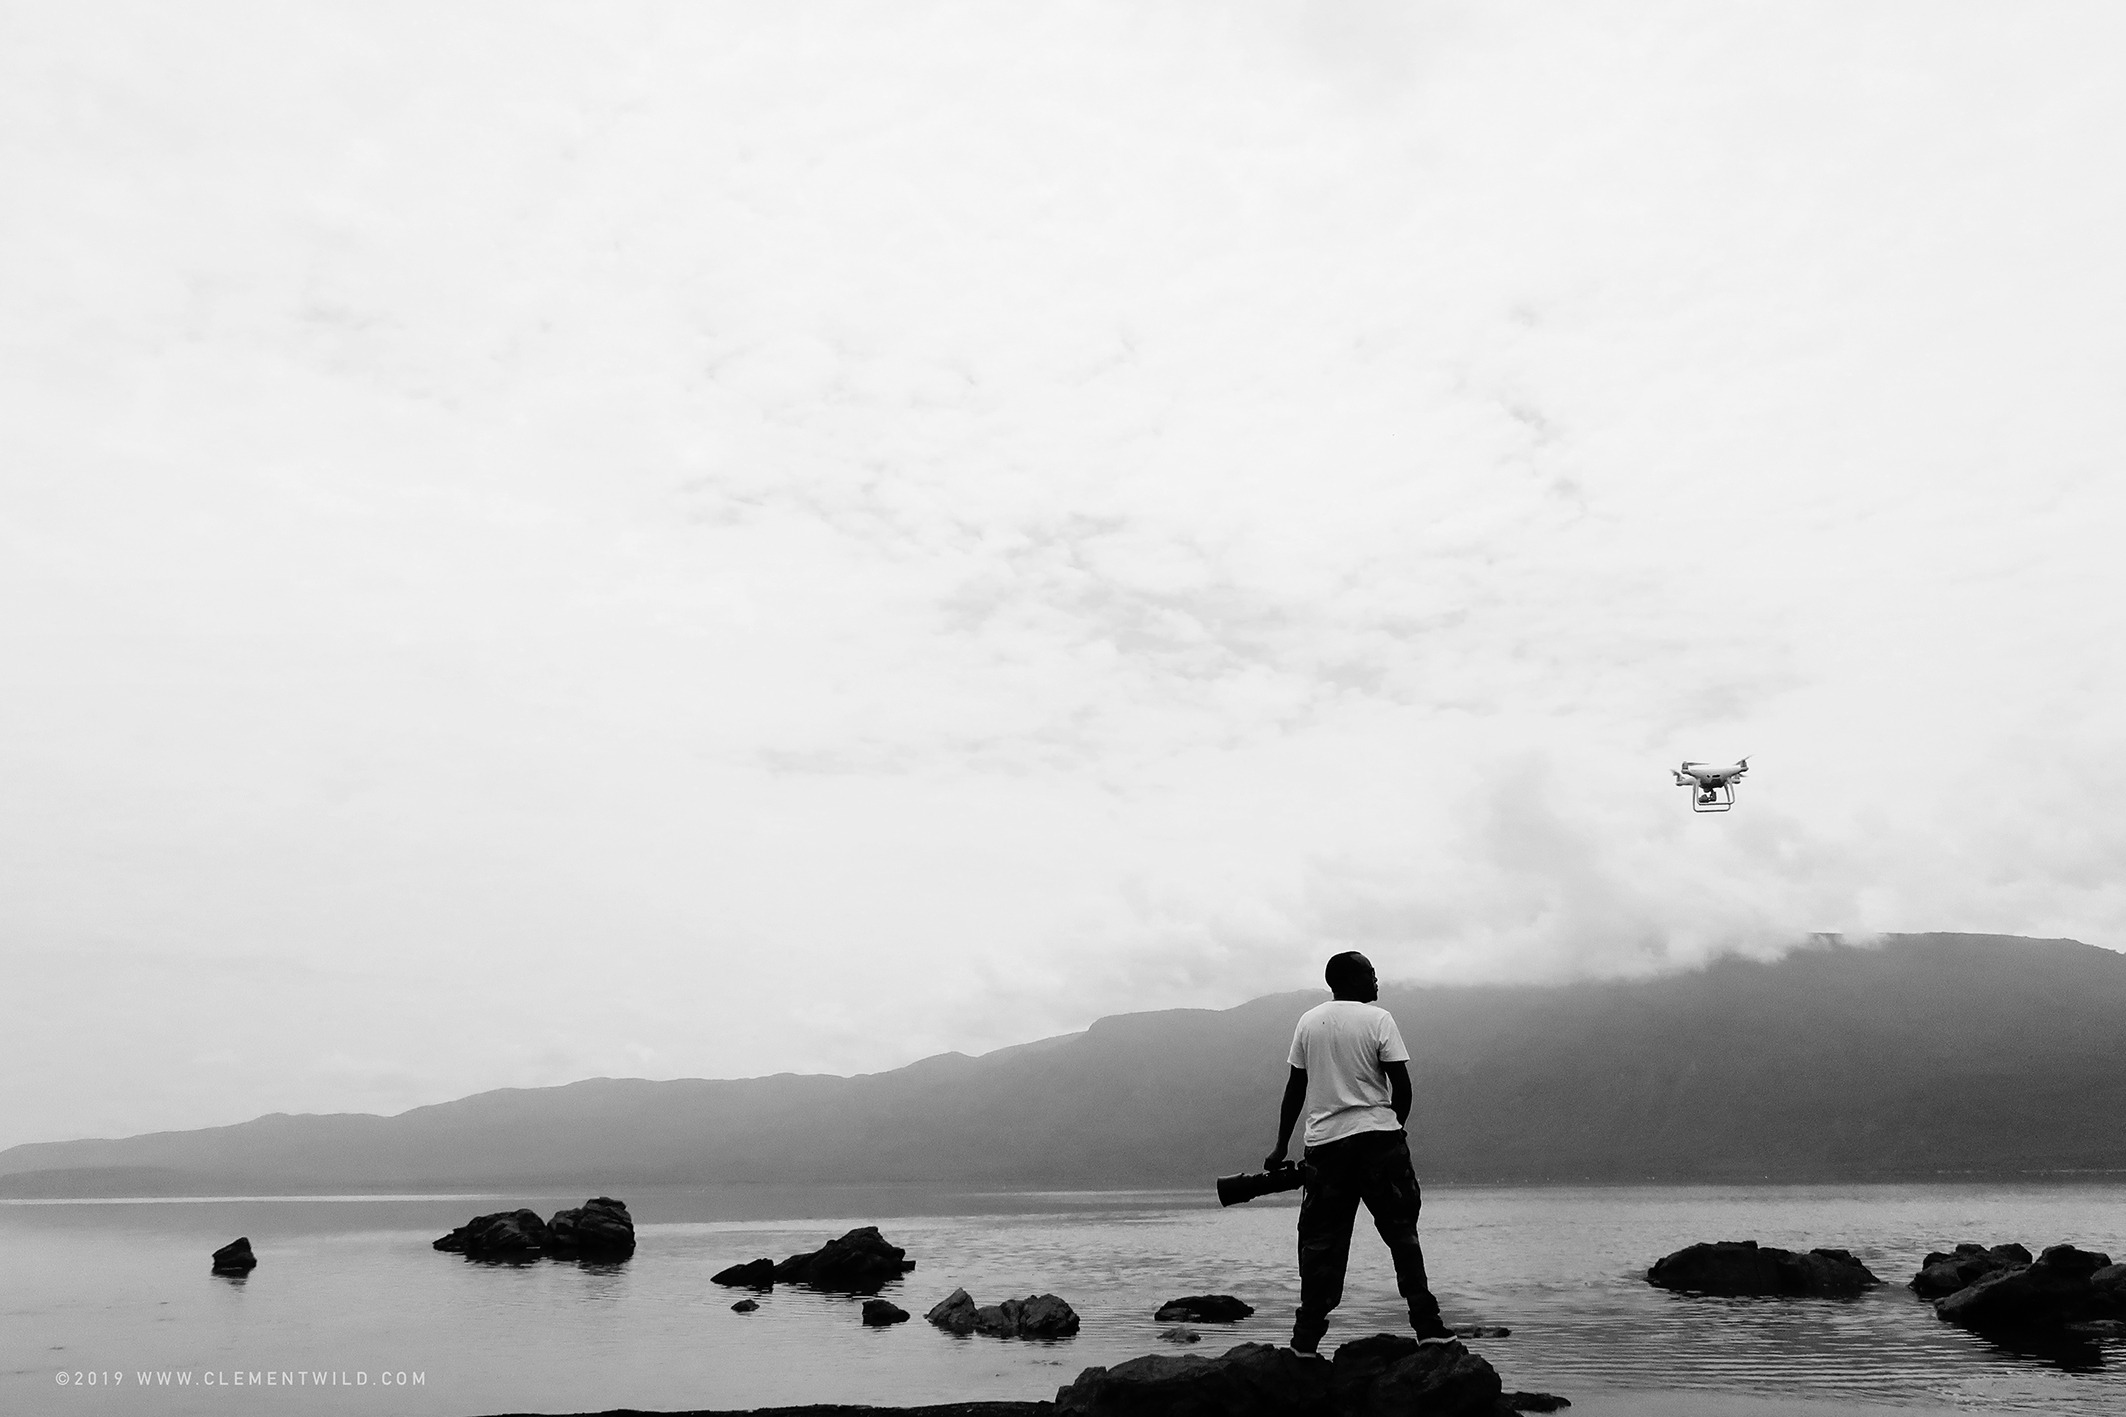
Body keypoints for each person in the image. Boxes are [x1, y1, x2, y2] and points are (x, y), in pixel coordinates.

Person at [1265, 950, 1451, 1354]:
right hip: (1378, 1144)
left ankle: (1305, 1344)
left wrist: (1281, 1145)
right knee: (1402, 1235)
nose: (1376, 980)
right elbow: (1401, 1085)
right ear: (1349, 979)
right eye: (1370, 973)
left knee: (1320, 1245)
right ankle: (1429, 1327)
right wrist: (1394, 1129)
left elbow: (1294, 1088)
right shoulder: (1379, 1020)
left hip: (1325, 1148)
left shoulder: (1308, 1022)